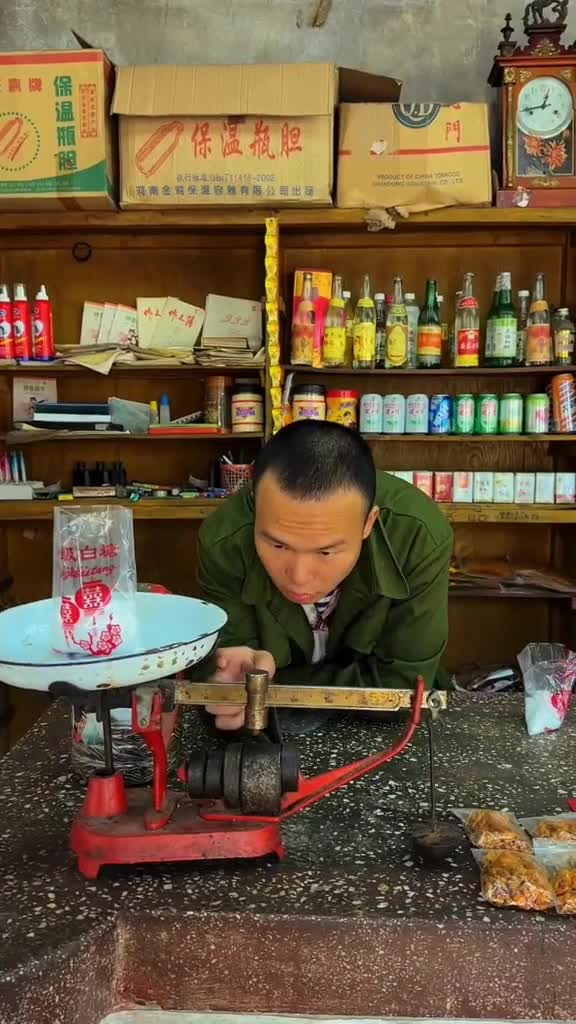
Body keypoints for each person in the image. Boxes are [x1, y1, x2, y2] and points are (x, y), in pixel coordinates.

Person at [197, 420, 452, 731]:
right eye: (277, 545)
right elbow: (231, 671)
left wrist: (274, 685)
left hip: (388, 729)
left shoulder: (417, 536)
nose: (299, 578)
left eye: (326, 552)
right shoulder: (223, 542)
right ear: (255, 514)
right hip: (269, 732)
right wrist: (226, 681)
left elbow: (402, 686)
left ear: (368, 524)